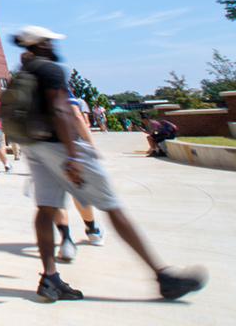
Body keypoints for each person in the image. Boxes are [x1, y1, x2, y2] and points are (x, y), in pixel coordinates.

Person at [13, 25, 206, 302]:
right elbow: (60, 110)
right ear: (42, 43)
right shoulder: (51, 70)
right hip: (59, 145)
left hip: (34, 146)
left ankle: (50, 279)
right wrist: (73, 154)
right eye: (50, 42)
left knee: (46, 209)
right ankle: (163, 276)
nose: (54, 46)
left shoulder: (23, 73)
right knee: (112, 205)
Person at [54, 89, 105, 263]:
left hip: (45, 147)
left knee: (56, 196)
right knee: (79, 190)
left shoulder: (29, 88)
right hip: (70, 144)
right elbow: (76, 116)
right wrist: (90, 146)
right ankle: (92, 231)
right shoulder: (57, 83)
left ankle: (66, 240)